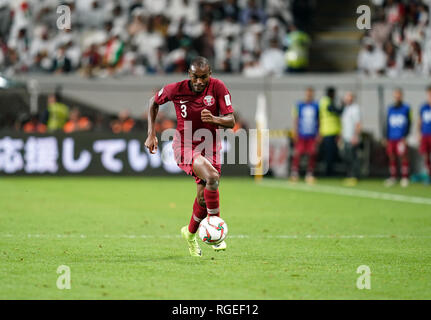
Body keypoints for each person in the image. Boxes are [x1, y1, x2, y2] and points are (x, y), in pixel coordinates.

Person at [144, 56, 235, 257]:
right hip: (184, 145)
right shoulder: (176, 89)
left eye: (204, 77)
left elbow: (231, 120)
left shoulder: (218, 87)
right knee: (212, 177)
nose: (199, 82)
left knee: (203, 198)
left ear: (210, 75)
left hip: (210, 146)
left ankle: (190, 234)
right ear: (189, 74)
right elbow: (153, 102)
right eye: (195, 77)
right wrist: (151, 134)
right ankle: (215, 230)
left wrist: (214, 119)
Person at [290, 87, 319, 184]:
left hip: (312, 134)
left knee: (312, 153)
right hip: (301, 134)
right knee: (297, 153)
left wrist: (319, 133)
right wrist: (295, 131)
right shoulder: (299, 105)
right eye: (307, 93)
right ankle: (295, 172)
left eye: (310, 94)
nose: (309, 95)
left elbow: (319, 120)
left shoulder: (316, 106)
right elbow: (296, 119)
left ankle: (310, 173)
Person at [383, 88, 411, 187]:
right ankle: (393, 176)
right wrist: (386, 137)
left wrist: (405, 136)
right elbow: (387, 123)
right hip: (391, 137)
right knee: (392, 156)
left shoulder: (406, 108)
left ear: (401, 96)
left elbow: (409, 123)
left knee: (403, 156)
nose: (397, 97)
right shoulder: (390, 108)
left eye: (398, 95)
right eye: (395, 95)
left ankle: (405, 177)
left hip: (400, 137)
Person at [319, 87, 342, 176]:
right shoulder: (326, 101)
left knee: (331, 153)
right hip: (328, 131)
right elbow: (336, 111)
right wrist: (343, 106)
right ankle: (328, 172)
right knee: (329, 153)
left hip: (332, 131)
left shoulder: (327, 101)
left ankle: (330, 170)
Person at [341, 92, 362, 186]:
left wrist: (356, 136)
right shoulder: (346, 109)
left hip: (352, 138)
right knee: (346, 157)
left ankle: (354, 176)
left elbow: (358, 124)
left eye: (349, 97)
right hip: (346, 137)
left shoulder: (355, 109)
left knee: (353, 157)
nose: (347, 98)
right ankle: (349, 175)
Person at [418, 85, 431, 184]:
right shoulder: (423, 107)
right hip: (425, 135)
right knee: (425, 156)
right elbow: (420, 121)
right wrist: (419, 134)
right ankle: (428, 175)